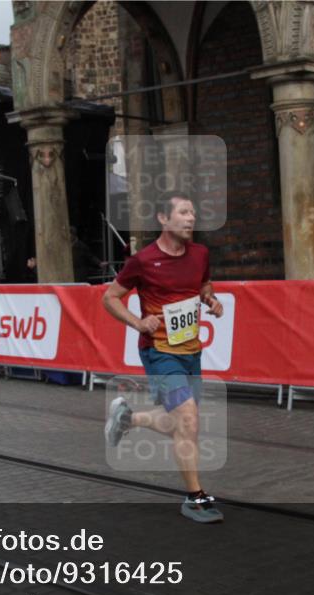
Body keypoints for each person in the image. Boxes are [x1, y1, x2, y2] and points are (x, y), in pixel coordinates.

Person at [102, 192, 225, 524]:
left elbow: (203, 285)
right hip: (159, 351)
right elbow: (110, 297)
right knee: (187, 418)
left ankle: (129, 419)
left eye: (193, 213)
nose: (191, 219)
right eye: (184, 213)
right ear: (163, 218)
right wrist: (138, 322)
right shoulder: (143, 260)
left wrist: (211, 301)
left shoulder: (200, 254)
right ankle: (195, 498)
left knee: (183, 423)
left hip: (191, 351)